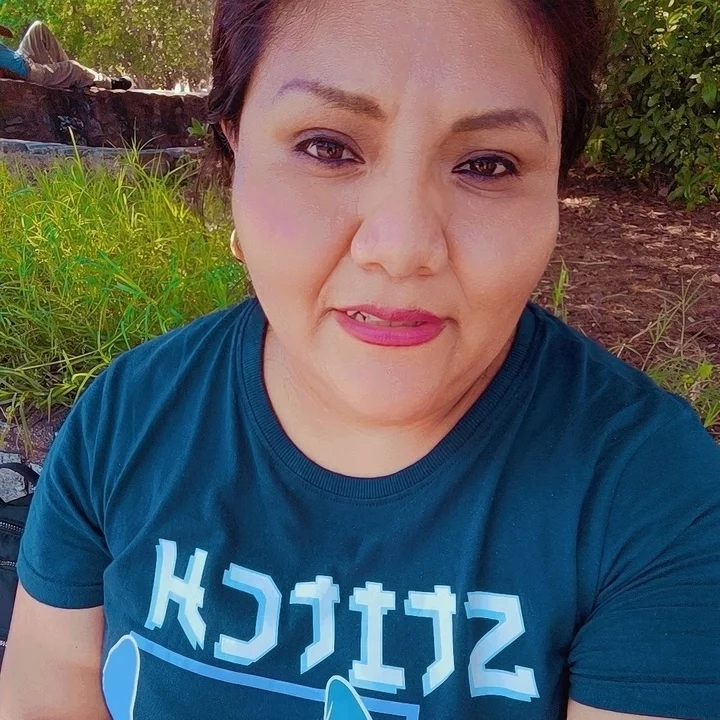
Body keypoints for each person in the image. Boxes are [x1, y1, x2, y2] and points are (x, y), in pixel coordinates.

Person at [0, 0, 718, 717]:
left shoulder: (652, 496)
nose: (402, 247)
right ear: (235, 143)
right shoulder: (125, 421)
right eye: (328, 147)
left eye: (488, 164)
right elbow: (50, 684)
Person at [0, 21, 132, 90]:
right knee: (73, 68)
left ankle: (70, 77)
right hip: (29, 73)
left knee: (38, 28)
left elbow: (8, 35)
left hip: (23, 58)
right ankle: (108, 83)